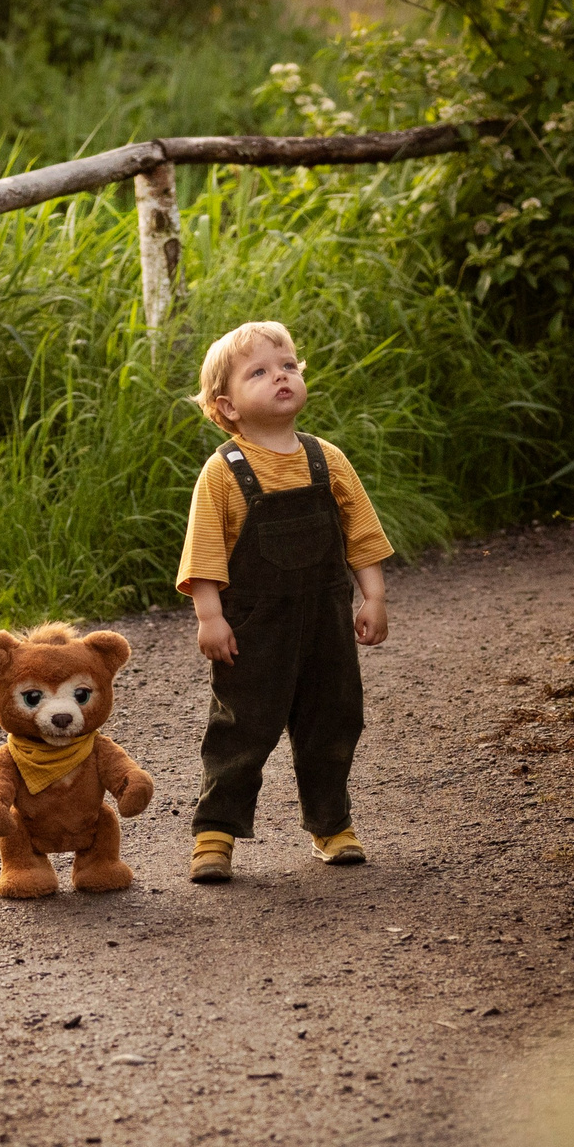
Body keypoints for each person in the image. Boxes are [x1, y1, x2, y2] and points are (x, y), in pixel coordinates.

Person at [175, 320, 393, 884]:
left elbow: (361, 534)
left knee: (334, 720)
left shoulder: (327, 459)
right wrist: (210, 616)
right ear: (227, 407)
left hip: (325, 623)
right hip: (255, 626)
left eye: (289, 366)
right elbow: (203, 552)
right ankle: (215, 834)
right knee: (241, 728)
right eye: (260, 372)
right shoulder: (224, 472)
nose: (281, 377)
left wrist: (373, 595)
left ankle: (332, 824)